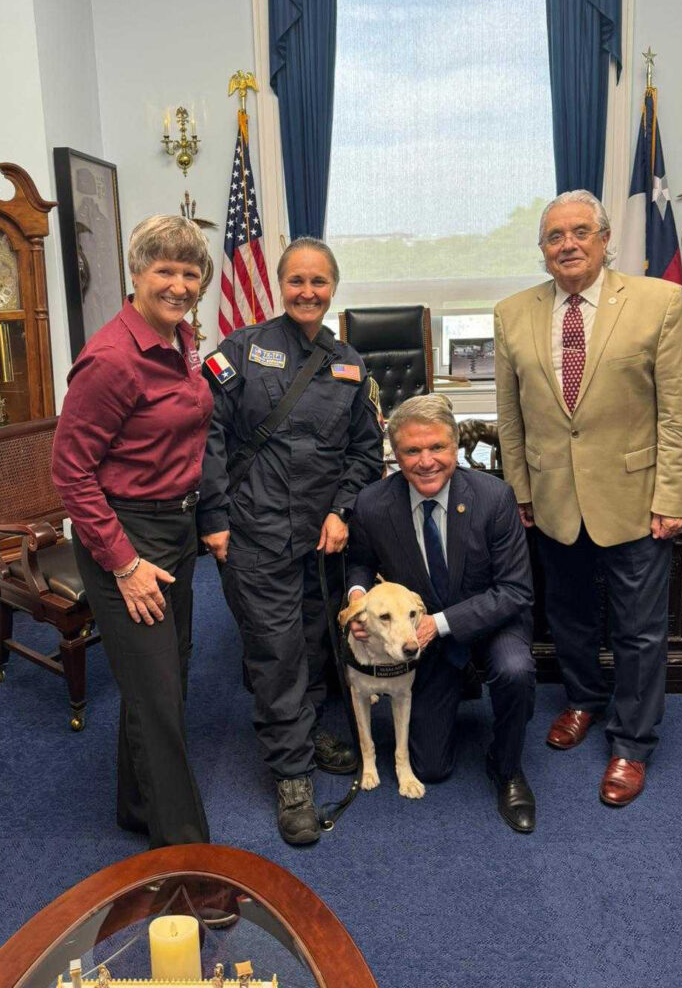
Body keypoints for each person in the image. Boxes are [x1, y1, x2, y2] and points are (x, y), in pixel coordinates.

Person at [494, 189, 682, 806]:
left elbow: (681, 413)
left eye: (581, 232)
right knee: (570, 617)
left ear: (605, 239)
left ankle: (632, 743)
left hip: (636, 498)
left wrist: (673, 496)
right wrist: (519, 493)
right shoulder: (512, 313)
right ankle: (584, 700)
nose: (569, 245)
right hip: (554, 498)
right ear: (542, 250)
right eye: (555, 236)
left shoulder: (659, 302)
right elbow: (511, 419)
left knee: (640, 630)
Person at [198, 236, 383, 846]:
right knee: (276, 655)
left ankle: (303, 733)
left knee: (312, 642)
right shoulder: (241, 351)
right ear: (281, 286)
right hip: (253, 533)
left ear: (333, 289)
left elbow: (364, 452)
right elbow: (209, 438)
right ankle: (291, 774)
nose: (308, 292)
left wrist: (341, 511)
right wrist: (215, 518)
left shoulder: (349, 364)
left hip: (317, 543)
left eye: (319, 282)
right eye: (297, 281)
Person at [51, 214, 212, 847]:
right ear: (136, 274)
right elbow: (71, 472)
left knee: (163, 678)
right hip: (125, 538)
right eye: (164, 270)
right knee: (160, 702)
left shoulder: (180, 339)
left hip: (176, 529)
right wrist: (123, 563)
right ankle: (185, 859)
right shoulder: (112, 360)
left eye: (190, 272)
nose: (178, 284)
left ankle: (135, 806)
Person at [346, 394, 536, 832]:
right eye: (412, 450)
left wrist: (441, 623)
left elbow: (514, 590)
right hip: (418, 640)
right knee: (430, 768)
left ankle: (507, 767)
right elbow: (358, 563)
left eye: (438, 448)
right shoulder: (374, 504)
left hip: (490, 622)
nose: (426, 461)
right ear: (394, 454)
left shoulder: (494, 497)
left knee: (514, 670)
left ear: (455, 448)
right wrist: (358, 600)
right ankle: (454, 688)